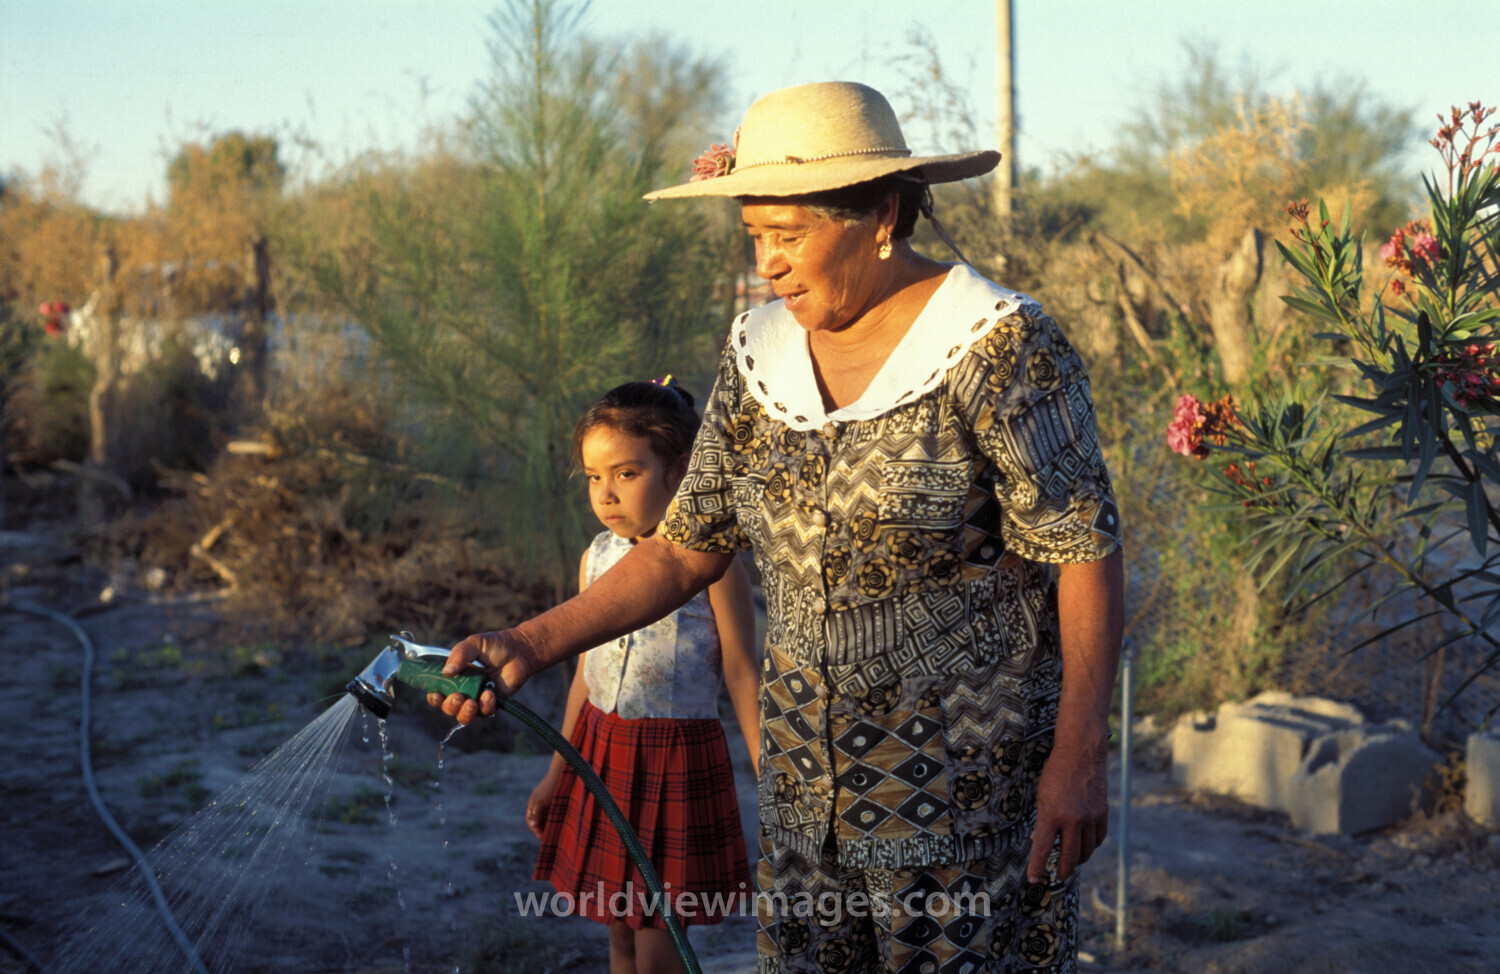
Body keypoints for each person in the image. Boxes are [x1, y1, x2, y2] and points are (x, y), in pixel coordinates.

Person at [435, 82, 1124, 974]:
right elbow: (685, 547)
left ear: (881, 215)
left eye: (790, 236)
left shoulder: (998, 345)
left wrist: (1080, 752)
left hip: (965, 786)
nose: (769, 264)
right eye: (754, 235)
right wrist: (530, 643)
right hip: (805, 788)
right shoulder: (757, 351)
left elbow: (1083, 550)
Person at [521, 378, 761, 974]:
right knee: (620, 935)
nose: (606, 494)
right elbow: (586, 677)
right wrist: (555, 774)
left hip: (673, 760)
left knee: (658, 942)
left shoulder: (714, 564)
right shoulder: (596, 558)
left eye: (626, 473)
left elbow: (742, 672)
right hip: (601, 753)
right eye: (593, 477)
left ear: (678, 472)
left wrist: (772, 781)